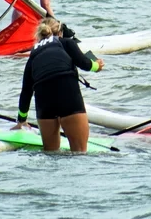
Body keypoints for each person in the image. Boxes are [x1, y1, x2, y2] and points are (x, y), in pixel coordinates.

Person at [13, 18, 104, 152]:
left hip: (44, 100)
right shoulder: (66, 42)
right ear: (60, 32)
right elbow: (85, 64)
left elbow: (26, 90)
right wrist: (97, 66)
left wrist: (22, 120)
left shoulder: (34, 53)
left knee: (51, 154)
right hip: (67, 93)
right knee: (79, 153)